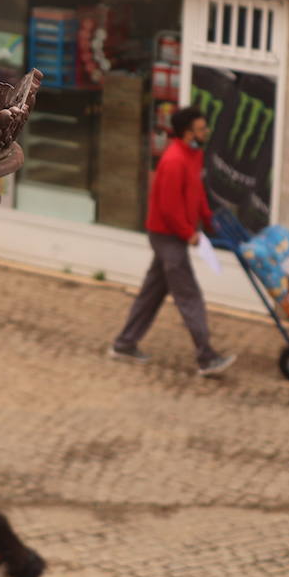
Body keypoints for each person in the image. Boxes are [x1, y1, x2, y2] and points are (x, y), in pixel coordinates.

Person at [109, 106, 236, 377]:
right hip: (167, 237)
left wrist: (208, 220)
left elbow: (197, 192)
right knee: (189, 296)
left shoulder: (193, 155)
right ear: (188, 133)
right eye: (202, 129)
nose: (206, 133)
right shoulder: (174, 161)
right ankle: (206, 357)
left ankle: (124, 344)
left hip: (174, 235)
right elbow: (168, 207)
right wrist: (187, 233)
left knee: (152, 293)